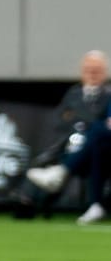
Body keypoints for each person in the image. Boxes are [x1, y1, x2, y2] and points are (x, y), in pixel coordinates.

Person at [14, 50, 111, 219]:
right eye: (89, 70)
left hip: (98, 151)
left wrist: (83, 126)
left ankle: (60, 176)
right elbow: (61, 119)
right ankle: (27, 199)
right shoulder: (72, 94)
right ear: (82, 72)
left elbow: (101, 125)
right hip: (70, 144)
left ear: (105, 73)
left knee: (93, 142)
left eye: (97, 71)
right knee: (54, 155)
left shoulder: (108, 95)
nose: (93, 74)